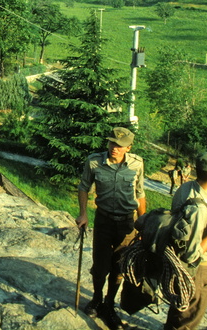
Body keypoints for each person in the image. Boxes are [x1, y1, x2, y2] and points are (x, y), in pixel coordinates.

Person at [77, 126, 146, 330]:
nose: (114, 148)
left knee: (119, 267)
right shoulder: (94, 162)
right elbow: (83, 187)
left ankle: (109, 304)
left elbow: (140, 193)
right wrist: (83, 214)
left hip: (127, 223)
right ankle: (97, 298)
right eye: (112, 143)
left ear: (128, 147)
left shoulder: (137, 164)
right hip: (104, 220)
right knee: (100, 266)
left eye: (120, 145)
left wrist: (143, 224)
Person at [164, 150, 207, 330]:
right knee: (188, 316)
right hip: (197, 268)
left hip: (177, 258)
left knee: (179, 308)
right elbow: (192, 255)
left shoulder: (187, 188)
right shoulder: (198, 207)